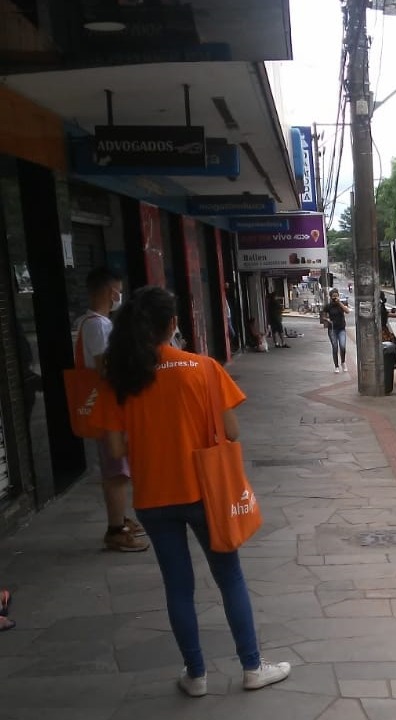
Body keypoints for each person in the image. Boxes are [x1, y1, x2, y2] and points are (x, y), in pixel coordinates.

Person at [96, 286, 290, 697]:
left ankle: (196, 675)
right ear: (173, 325)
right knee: (229, 577)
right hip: (206, 493)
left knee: (178, 585)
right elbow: (231, 431)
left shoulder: (122, 377)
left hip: (152, 497)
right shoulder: (203, 367)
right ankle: (252, 667)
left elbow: (114, 449)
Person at [78, 266, 149, 552]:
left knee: (117, 469)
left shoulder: (96, 323)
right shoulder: (97, 325)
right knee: (117, 471)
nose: (119, 295)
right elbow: (104, 369)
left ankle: (120, 519)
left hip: (110, 407)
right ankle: (115, 529)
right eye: (118, 289)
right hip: (108, 408)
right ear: (111, 291)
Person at [321, 289, 350, 373]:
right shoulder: (328, 306)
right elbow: (323, 316)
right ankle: (336, 366)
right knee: (335, 347)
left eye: (336, 296)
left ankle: (343, 362)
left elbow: (347, 311)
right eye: (333, 296)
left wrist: (339, 303)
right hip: (332, 329)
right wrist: (327, 319)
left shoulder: (341, 305)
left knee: (343, 346)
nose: (335, 298)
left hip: (341, 328)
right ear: (330, 297)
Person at [379, 291, 396, 368]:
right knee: (394, 343)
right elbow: (386, 314)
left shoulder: (380, 305)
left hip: (383, 328)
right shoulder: (379, 305)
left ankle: (393, 362)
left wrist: (392, 311)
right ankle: (393, 362)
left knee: (394, 343)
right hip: (382, 330)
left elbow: (387, 312)